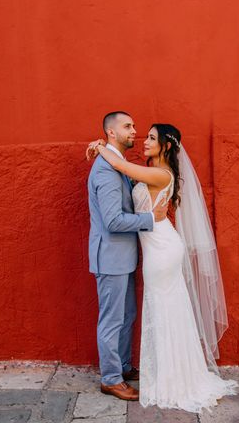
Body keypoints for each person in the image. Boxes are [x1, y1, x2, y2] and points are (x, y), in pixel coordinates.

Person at [86, 121, 238, 413]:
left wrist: (101, 147)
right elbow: (129, 181)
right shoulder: (151, 172)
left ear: (166, 146)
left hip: (162, 249)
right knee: (165, 308)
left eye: (152, 138)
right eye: (139, 132)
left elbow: (127, 170)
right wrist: (103, 148)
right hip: (156, 246)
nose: (143, 139)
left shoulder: (159, 173)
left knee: (163, 307)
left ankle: (173, 375)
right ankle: (170, 369)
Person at [86, 111, 169, 401]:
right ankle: (110, 379)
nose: (135, 131)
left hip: (123, 256)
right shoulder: (106, 170)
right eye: (128, 126)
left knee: (126, 315)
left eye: (134, 126)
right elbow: (112, 221)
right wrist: (150, 218)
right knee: (111, 319)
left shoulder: (117, 164)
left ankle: (122, 366)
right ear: (111, 133)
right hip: (110, 257)